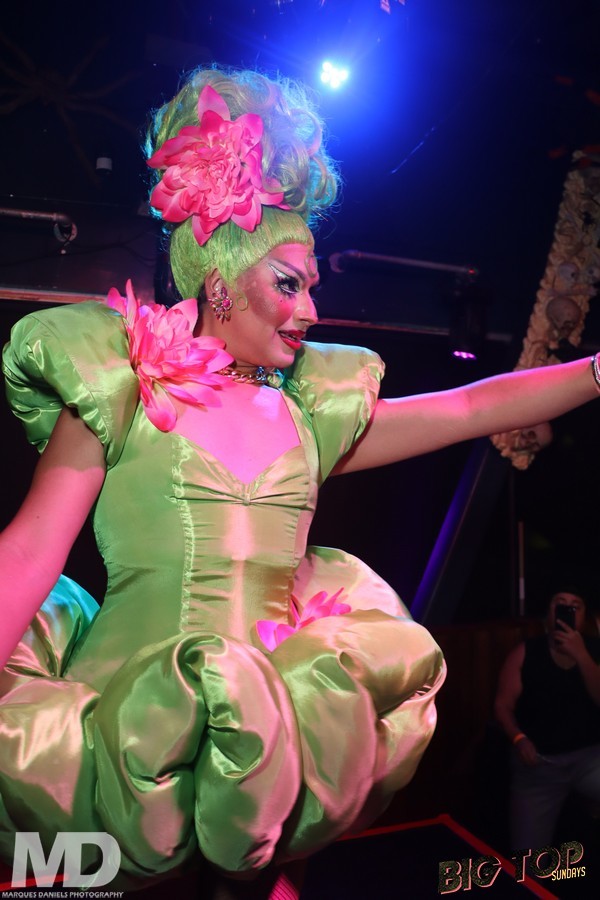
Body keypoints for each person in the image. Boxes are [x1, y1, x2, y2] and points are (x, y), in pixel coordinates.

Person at [0, 66, 599, 897]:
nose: (312, 309)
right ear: (219, 284)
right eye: (289, 283)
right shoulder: (120, 392)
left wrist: (596, 372)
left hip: (275, 736)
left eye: (312, 285)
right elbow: (28, 551)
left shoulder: (309, 417)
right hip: (132, 727)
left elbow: (470, 407)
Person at [494, 586, 600, 852]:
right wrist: (519, 739)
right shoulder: (526, 652)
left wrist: (581, 655)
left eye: (575, 606)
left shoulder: (594, 650)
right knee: (528, 857)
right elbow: (503, 705)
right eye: (560, 603)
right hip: (540, 766)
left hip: (590, 759)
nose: (567, 609)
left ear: (583, 615)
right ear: (550, 612)